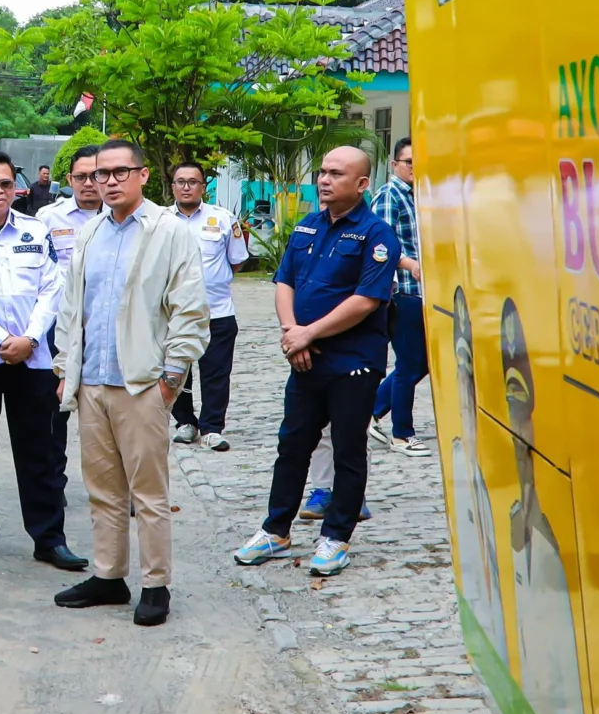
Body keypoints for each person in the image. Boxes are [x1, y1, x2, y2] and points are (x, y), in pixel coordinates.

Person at [50, 138, 209, 627]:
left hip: (142, 384)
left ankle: (155, 583)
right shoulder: (91, 233)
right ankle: (108, 575)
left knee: (149, 494)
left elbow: (189, 310)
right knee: (102, 489)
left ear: (143, 175)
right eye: (102, 174)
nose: (110, 181)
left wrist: (171, 379)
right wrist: (65, 371)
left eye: (121, 172)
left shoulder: (169, 232)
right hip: (93, 384)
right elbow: (72, 307)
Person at [232, 145, 399, 579]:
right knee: (292, 445)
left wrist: (310, 332)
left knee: (347, 449)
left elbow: (366, 300)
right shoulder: (307, 226)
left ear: (362, 184)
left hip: (352, 363)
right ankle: (276, 530)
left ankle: (336, 536)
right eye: (323, 172)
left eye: (336, 174)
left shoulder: (377, 235)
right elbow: (284, 282)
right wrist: (293, 333)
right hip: (305, 359)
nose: (324, 180)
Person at [0, 149, 88, 572]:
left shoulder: (34, 229)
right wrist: (1, 339)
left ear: (16, 188)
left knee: (40, 451)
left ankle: (49, 538)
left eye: (6, 184)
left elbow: (53, 288)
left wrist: (28, 339)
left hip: (32, 360)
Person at [32, 146, 103, 510]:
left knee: (111, 411)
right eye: (81, 177)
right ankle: (52, 486)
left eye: (97, 175)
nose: (89, 183)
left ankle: (117, 489)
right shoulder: (47, 217)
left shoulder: (127, 218)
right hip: (57, 330)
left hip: (107, 328)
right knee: (53, 411)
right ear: (70, 179)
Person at [166, 160, 248, 451]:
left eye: (193, 181)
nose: (186, 186)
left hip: (217, 311)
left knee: (215, 372)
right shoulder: (160, 221)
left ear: (203, 187)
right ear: (172, 185)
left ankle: (213, 427)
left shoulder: (223, 219)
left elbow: (237, 260)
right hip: (174, 314)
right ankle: (185, 423)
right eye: (180, 181)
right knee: (177, 370)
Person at [371, 137, 430, 455]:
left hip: (423, 292)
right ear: (395, 165)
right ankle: (402, 434)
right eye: (409, 162)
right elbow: (381, 245)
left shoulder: (419, 195)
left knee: (422, 362)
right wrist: (410, 264)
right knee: (409, 364)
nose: (414, 168)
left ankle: (372, 409)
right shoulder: (389, 194)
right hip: (403, 291)